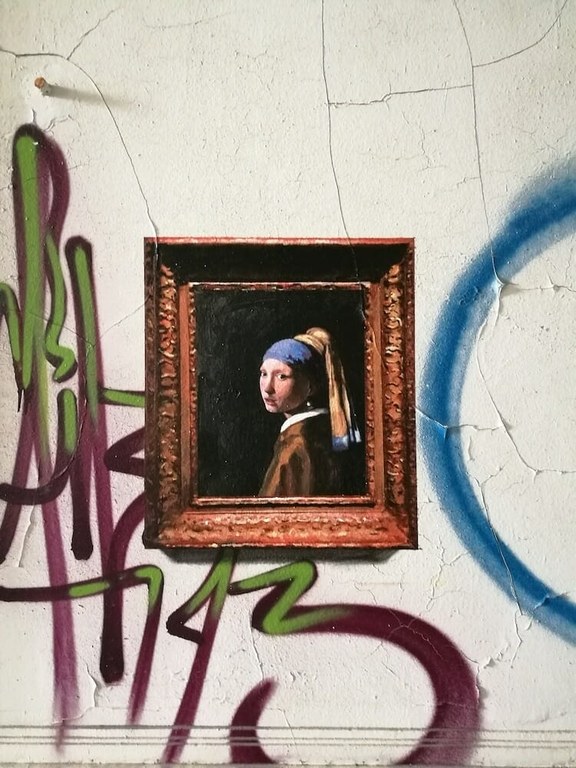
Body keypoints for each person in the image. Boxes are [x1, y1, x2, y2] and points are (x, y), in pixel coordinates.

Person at [258, 327, 361, 497]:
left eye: (282, 376)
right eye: (264, 374)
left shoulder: (295, 446)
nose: (268, 388)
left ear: (311, 385)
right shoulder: (325, 429)